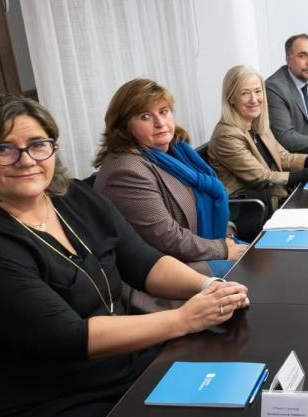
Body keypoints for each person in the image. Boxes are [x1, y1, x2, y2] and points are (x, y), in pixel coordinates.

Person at [0, 94, 249, 417]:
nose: (27, 160)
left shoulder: (71, 198)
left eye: (37, 144)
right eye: (2, 150)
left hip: (119, 368)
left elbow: (145, 262)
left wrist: (208, 288)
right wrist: (185, 318)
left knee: (224, 409)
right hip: (45, 408)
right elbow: (69, 337)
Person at [93, 78, 247, 277]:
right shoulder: (126, 171)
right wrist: (223, 249)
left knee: (272, 257)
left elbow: (206, 204)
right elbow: (168, 238)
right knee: (260, 271)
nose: (160, 123)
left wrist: (227, 237)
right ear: (123, 126)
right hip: (173, 270)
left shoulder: (177, 152)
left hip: (202, 250)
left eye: (164, 112)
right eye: (145, 116)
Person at [210, 65, 308, 212]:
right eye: (245, 93)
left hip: (276, 198)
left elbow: (284, 158)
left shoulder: (256, 124)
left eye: (258, 91)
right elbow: (263, 178)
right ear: (231, 98)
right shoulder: (226, 135)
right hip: (252, 210)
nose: (254, 99)